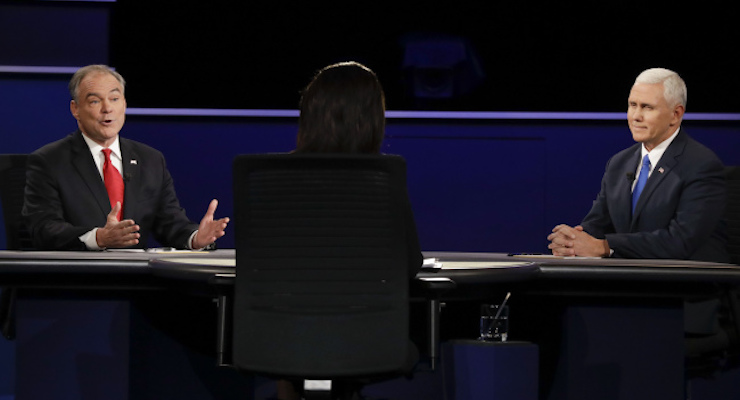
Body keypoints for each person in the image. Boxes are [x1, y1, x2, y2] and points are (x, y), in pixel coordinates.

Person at [278, 61, 424, 400]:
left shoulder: (272, 177)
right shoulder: (382, 179)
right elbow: (410, 266)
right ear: (372, 118)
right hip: (367, 342)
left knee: (293, 348)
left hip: (280, 340)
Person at [22, 64, 229, 251]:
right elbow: (43, 229)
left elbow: (170, 223)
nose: (107, 108)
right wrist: (99, 237)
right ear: (75, 109)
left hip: (138, 280)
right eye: (95, 101)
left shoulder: (150, 160)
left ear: (124, 104)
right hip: (80, 277)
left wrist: (196, 238)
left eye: (114, 98)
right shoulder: (49, 161)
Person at [547, 68, 728, 262]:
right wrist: (572, 241)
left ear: (675, 114)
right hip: (630, 279)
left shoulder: (701, 165)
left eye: (647, 107)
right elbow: (597, 225)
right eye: (632, 105)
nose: (636, 116)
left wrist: (604, 247)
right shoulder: (619, 163)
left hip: (687, 283)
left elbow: (679, 241)